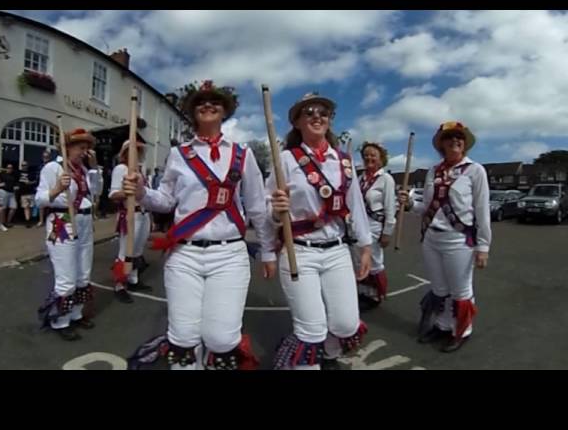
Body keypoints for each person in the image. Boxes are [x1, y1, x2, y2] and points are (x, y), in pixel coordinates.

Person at [126, 80, 274, 370]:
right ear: (193, 113)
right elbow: (166, 201)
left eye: (215, 102)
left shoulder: (243, 155)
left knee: (221, 339)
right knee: (182, 336)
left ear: (225, 111)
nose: (208, 105)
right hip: (184, 255)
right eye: (200, 102)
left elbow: (257, 206)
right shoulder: (179, 155)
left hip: (229, 254)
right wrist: (142, 192)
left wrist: (268, 251)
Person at [267, 92, 372, 370]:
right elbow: (268, 212)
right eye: (309, 112)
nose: (317, 116)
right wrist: (277, 209)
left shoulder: (344, 161)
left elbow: (356, 207)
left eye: (323, 113)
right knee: (311, 329)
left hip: (337, 250)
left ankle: (327, 352)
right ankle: (305, 361)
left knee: (346, 323)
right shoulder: (285, 160)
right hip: (299, 252)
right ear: (297, 123)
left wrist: (365, 248)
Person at [398, 121, 490, 353]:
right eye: (449, 138)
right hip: (431, 238)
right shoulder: (434, 171)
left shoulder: (475, 170)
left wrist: (483, 246)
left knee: (460, 289)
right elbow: (426, 207)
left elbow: (482, 210)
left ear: (465, 143)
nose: (455, 141)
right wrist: (409, 203)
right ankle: (442, 325)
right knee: (439, 288)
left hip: (458, 239)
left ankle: (461, 330)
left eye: (459, 137)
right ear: (442, 144)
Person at [35, 128, 103, 341]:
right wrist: (56, 189)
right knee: (66, 275)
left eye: (87, 148)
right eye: (81, 148)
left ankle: (76, 314)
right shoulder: (53, 168)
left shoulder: (83, 170)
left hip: (83, 221)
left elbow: (97, 191)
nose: (84, 152)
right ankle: (59, 321)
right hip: (62, 221)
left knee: (83, 272)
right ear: (68, 148)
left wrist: (94, 170)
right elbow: (40, 199)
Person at [354, 142, 396, 311]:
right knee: (360, 259)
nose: (369, 158)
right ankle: (364, 291)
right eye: (366, 155)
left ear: (381, 159)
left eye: (373, 155)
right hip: (359, 225)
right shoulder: (360, 178)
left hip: (375, 226)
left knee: (375, 261)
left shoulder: (386, 179)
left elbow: (390, 208)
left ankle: (376, 294)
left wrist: (387, 232)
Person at [110, 138, 152, 303]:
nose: (137, 154)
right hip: (130, 214)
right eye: (134, 151)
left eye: (139, 151)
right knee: (125, 251)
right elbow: (113, 194)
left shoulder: (140, 171)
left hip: (143, 213)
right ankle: (119, 284)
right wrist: (126, 192)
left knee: (137, 250)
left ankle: (133, 279)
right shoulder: (121, 169)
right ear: (126, 153)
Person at [0, 164, 17, 231]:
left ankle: (7, 222)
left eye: (11, 168)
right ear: (6, 168)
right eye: (8, 168)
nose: (9, 169)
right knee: (2, 208)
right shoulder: (2, 173)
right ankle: (0, 224)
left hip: (11, 192)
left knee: (14, 207)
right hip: (2, 191)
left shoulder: (13, 174)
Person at [18, 161, 37, 228]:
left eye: (25, 165)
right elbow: (9, 171)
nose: (24, 166)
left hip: (30, 192)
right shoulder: (19, 173)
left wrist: (30, 182)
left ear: (27, 165)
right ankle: (27, 221)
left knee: (31, 207)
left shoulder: (31, 173)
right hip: (23, 193)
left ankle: (30, 219)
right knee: (26, 207)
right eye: (22, 165)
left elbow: (35, 181)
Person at [36, 151, 52, 228]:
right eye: (44, 157)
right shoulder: (40, 166)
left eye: (47, 157)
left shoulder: (52, 166)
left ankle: (49, 220)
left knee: (50, 204)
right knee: (41, 205)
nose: (45, 158)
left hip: (50, 187)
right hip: (42, 187)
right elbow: (38, 177)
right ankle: (41, 221)